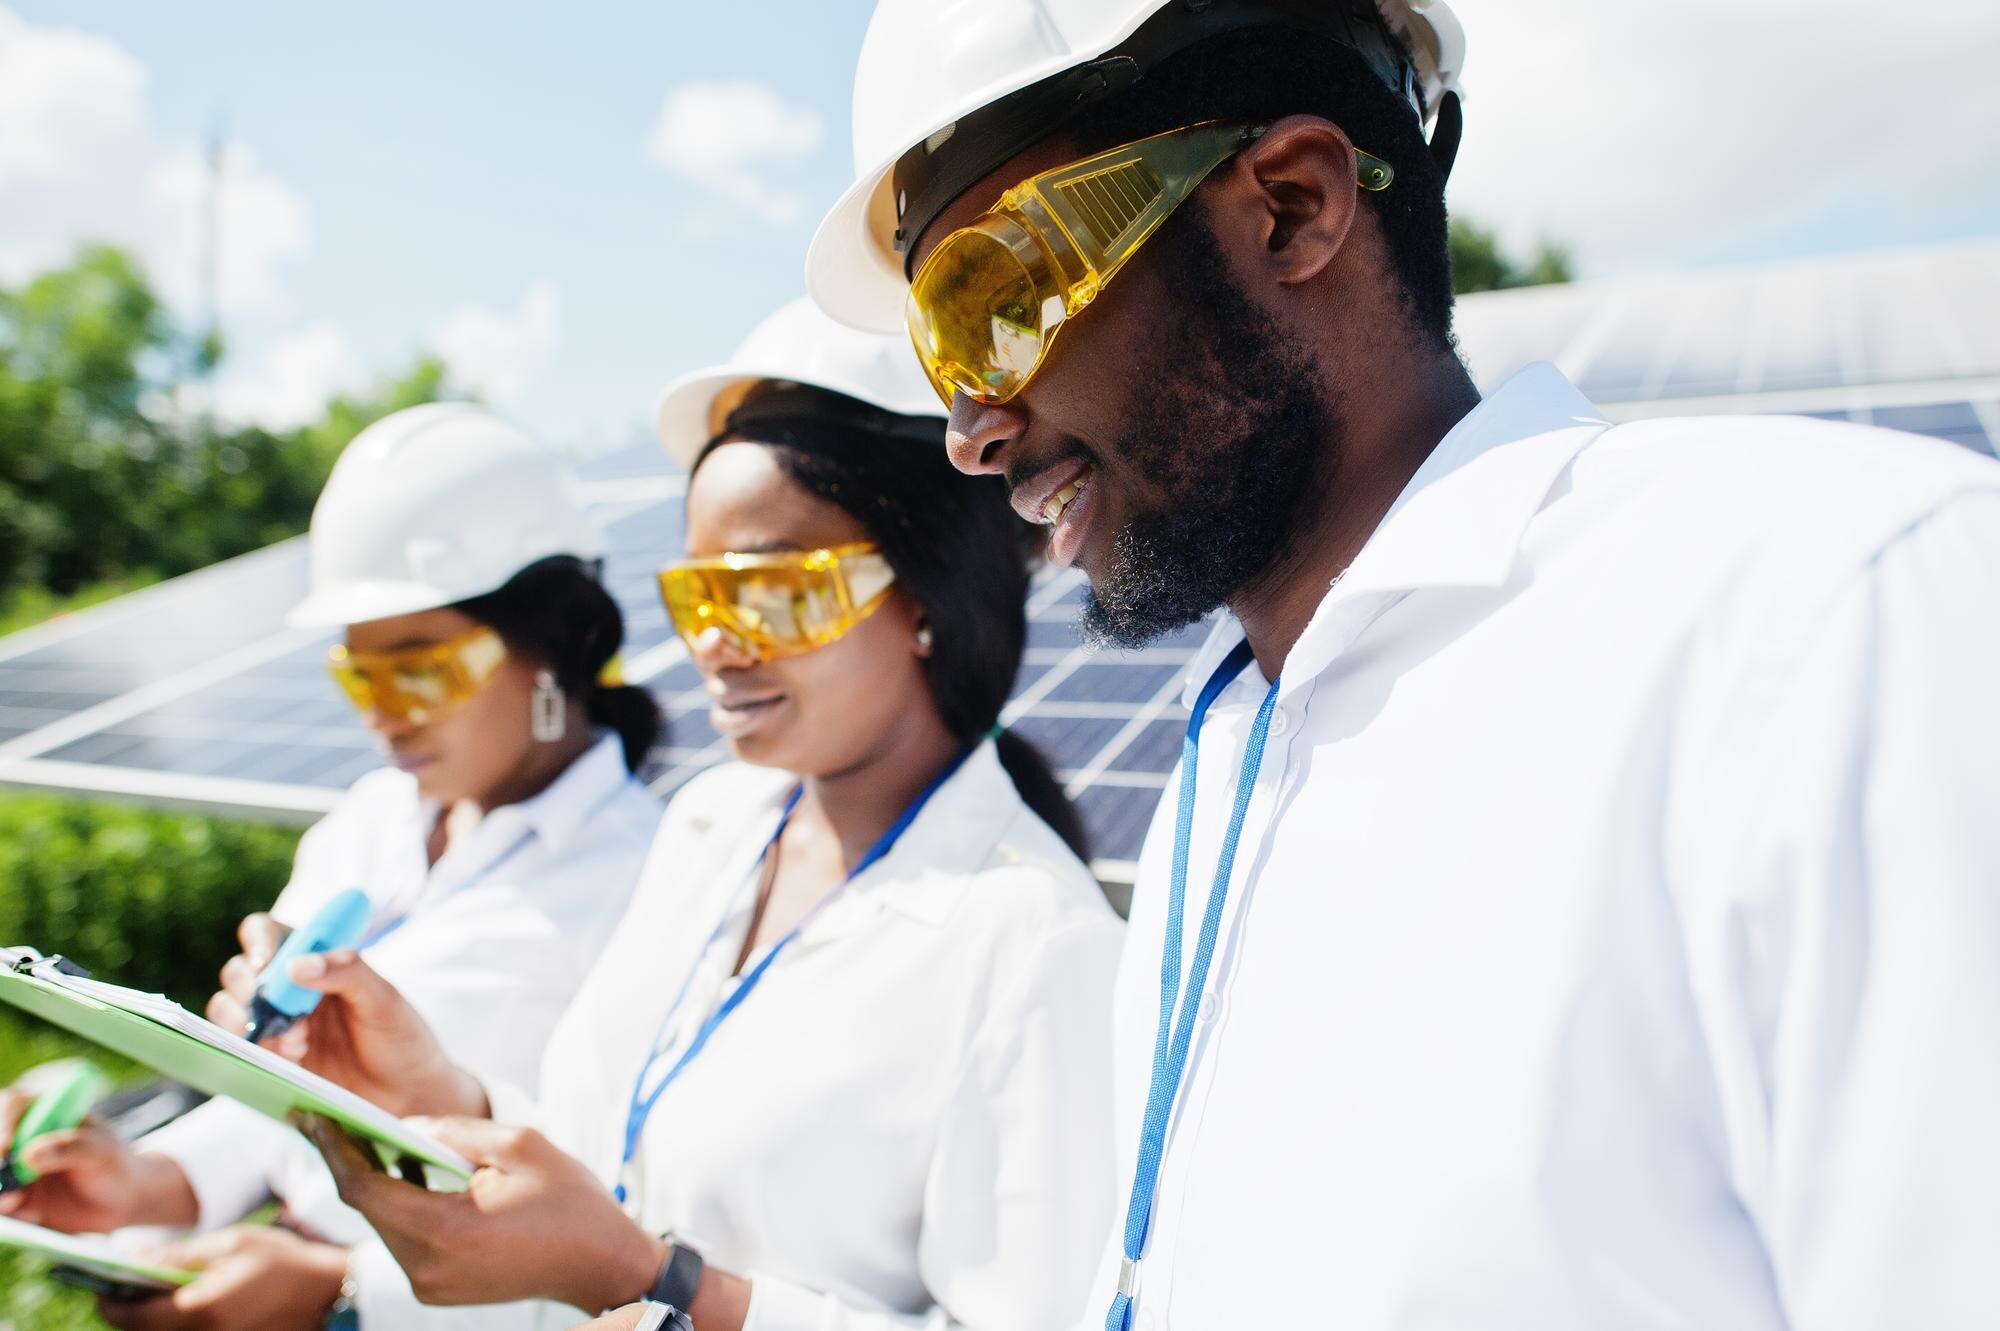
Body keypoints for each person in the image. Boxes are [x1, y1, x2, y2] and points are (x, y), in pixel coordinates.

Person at [801, 2, 2000, 1328]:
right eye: (938, 345)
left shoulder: (1827, 609)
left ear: (1293, 208)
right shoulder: (1236, 749)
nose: (969, 429)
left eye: (1001, 302)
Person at [260, 300, 1122, 1330]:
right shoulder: (714, 822)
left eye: (764, 593)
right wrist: (439, 1091)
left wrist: (659, 1283)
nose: (713, 643)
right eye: (694, 595)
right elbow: (610, 1156)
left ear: (929, 597)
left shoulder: (1037, 946)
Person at [0, 403, 665, 1328]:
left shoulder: (652, 879)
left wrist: (341, 1290)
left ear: (558, 645)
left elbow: (620, 1209)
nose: (381, 714)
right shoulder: (368, 821)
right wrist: (150, 1183)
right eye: (357, 675)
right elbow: (285, 1096)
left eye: (419, 670)